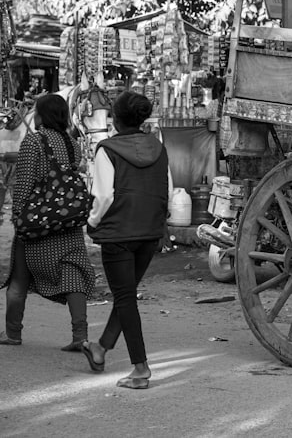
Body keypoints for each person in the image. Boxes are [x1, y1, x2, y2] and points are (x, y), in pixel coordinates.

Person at [81, 91, 171, 390]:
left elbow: (105, 195)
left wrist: (91, 222)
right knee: (126, 295)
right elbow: (167, 189)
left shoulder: (107, 149)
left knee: (125, 298)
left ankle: (141, 369)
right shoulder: (158, 147)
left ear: (116, 120)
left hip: (118, 233)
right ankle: (101, 348)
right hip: (149, 232)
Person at [0, 94, 96, 350]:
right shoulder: (71, 143)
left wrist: (18, 215)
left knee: (19, 277)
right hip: (68, 221)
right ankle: (80, 337)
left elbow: (24, 182)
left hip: (36, 221)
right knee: (73, 273)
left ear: (41, 116)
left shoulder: (34, 140)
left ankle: (12, 333)